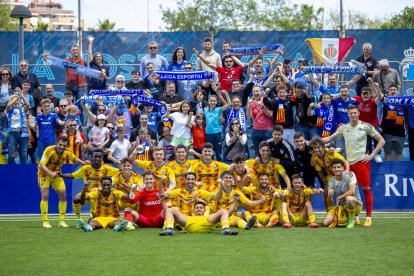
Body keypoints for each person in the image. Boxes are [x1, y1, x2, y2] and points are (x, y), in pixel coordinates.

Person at [322, 105, 385, 227]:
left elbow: (381, 140)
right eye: (351, 113)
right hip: (348, 164)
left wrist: (371, 155)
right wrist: (317, 141)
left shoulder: (366, 126)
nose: (353, 115)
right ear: (348, 114)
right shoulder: (344, 128)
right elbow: (330, 138)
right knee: (351, 190)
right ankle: (355, 217)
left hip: (362, 162)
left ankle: (368, 218)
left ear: (358, 113)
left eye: (355, 113)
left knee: (366, 189)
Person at [38, 136, 87, 228]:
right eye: (60, 145)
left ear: (67, 146)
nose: (62, 147)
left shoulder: (67, 151)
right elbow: (41, 165)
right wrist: (50, 173)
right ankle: (45, 221)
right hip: (44, 174)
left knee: (63, 195)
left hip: (57, 174)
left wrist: (82, 162)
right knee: (45, 195)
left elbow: (74, 158)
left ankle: (61, 221)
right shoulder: (49, 150)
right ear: (57, 143)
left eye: (64, 146)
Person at [60, 149, 119, 223]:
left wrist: (112, 181)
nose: (97, 158)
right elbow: (73, 175)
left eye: (99, 157)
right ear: (92, 157)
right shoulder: (86, 168)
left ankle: (94, 216)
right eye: (95, 157)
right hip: (87, 193)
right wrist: (61, 174)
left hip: (100, 194)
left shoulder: (106, 168)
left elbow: (119, 172)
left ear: (101, 159)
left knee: (95, 220)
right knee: (76, 199)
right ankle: (79, 219)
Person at [309, 136, 349, 209]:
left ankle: (348, 212)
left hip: (341, 174)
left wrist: (346, 172)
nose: (317, 150)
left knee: (344, 193)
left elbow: (345, 161)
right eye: (314, 148)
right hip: (331, 175)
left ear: (323, 146)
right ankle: (330, 213)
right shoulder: (314, 158)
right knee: (326, 193)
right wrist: (325, 183)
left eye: (318, 147)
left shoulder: (330, 152)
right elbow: (320, 172)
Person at [323, 159, 363, 229]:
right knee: (325, 223)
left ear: (343, 168)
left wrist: (339, 197)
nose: (336, 169)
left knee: (349, 198)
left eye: (339, 167)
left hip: (356, 204)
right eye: (334, 167)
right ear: (332, 169)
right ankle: (345, 218)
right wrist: (329, 196)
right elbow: (330, 203)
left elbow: (352, 191)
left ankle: (351, 220)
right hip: (342, 206)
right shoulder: (331, 181)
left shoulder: (350, 175)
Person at [160, 201, 238, 236]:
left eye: (201, 208)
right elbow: (168, 211)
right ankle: (170, 230)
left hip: (206, 222)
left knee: (224, 211)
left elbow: (227, 214)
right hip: (189, 222)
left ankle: (225, 230)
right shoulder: (188, 217)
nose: (199, 209)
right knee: (170, 209)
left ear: (204, 210)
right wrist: (162, 200)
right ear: (193, 210)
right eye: (197, 208)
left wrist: (235, 201)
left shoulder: (208, 217)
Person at [381, 84, 406, 161]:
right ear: (388, 91)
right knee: (388, 153)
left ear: (397, 91)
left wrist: (407, 128)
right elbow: (379, 96)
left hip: (400, 132)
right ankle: (388, 172)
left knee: (399, 153)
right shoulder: (385, 101)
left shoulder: (403, 102)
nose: (393, 91)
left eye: (394, 89)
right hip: (387, 132)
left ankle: (399, 171)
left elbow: (406, 116)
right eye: (391, 89)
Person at [204, 89, 231, 161]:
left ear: (216, 102)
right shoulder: (205, 110)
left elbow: (229, 104)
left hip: (217, 133)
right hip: (208, 133)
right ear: (208, 102)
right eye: (211, 101)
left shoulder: (218, 110)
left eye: (214, 101)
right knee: (210, 151)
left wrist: (226, 94)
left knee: (218, 151)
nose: (212, 102)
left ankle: (220, 164)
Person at [5, 90, 31, 164]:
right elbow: (8, 105)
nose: (16, 102)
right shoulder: (8, 110)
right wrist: (15, 98)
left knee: (23, 153)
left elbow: (28, 104)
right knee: (12, 152)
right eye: (15, 101)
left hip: (23, 132)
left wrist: (21, 96)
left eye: (18, 101)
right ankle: (10, 169)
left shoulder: (22, 109)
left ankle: (24, 170)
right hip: (12, 132)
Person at [246, 85, 273, 155]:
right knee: (257, 152)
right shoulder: (251, 103)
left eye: (257, 91)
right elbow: (248, 117)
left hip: (267, 130)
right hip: (256, 130)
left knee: (268, 152)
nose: (255, 93)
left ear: (261, 92)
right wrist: (249, 106)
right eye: (254, 91)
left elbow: (270, 114)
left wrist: (262, 107)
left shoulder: (267, 100)